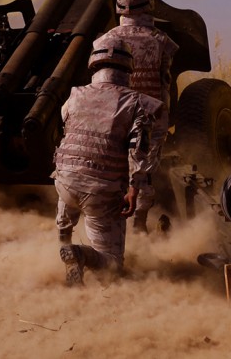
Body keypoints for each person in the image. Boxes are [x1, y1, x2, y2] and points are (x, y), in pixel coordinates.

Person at [53, 36, 163, 286]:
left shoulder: (74, 96)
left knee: (68, 200)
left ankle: (63, 244)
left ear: (94, 65)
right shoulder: (137, 102)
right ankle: (80, 254)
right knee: (112, 263)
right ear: (128, 68)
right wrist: (135, 187)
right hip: (101, 190)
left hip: (65, 183)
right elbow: (139, 150)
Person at [105, 0, 178, 233]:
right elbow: (165, 81)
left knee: (115, 168)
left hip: (115, 114)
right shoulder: (160, 41)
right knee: (143, 172)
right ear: (149, 6)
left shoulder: (106, 40)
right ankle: (138, 225)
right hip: (150, 115)